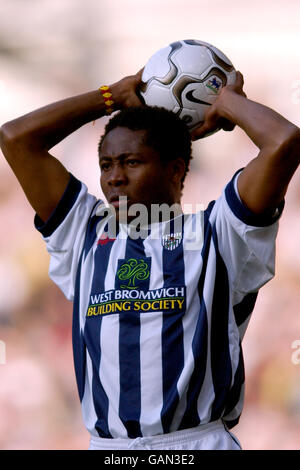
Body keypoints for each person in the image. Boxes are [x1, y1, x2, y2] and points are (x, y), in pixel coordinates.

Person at [0, 67, 299, 451]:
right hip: (110, 451)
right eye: (107, 165)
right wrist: (110, 97)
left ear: (176, 170)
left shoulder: (219, 234)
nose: (114, 178)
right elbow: (16, 139)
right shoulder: (83, 234)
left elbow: (284, 141)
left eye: (132, 162)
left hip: (193, 445)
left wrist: (227, 102)